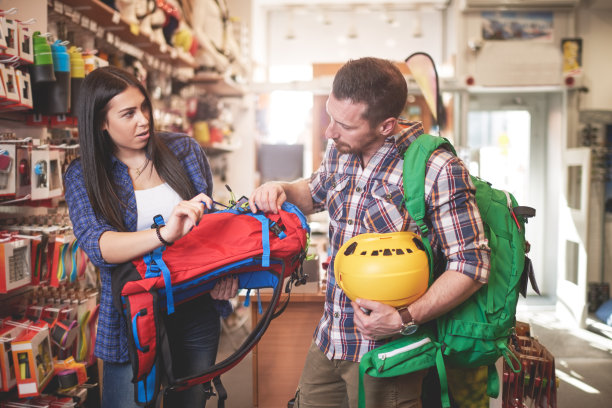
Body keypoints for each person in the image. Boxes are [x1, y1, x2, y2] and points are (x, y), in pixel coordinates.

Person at [249, 57, 491, 408]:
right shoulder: (340, 151)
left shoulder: (436, 169)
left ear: (386, 125)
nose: (329, 132)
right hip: (331, 338)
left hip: (389, 352)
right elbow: (314, 192)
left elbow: (472, 264)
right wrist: (281, 188)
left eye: (343, 124)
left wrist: (403, 318)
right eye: (330, 116)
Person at [63, 66, 238, 407]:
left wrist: (225, 273)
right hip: (132, 316)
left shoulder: (184, 150)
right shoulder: (83, 174)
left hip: (196, 305)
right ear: (101, 121)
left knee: (189, 402)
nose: (143, 120)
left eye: (144, 108)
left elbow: (210, 229)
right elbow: (100, 246)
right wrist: (165, 234)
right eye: (128, 113)